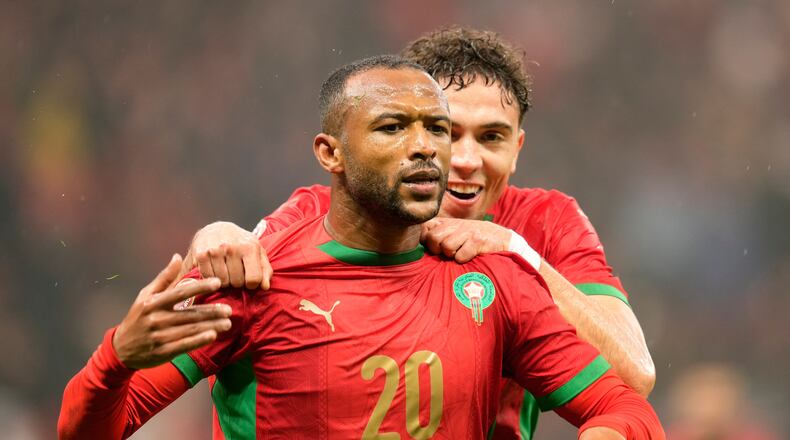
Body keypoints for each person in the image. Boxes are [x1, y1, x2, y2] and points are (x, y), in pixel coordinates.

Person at [59, 56, 663, 439]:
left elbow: (627, 404)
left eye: (434, 128)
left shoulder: (493, 277)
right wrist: (116, 361)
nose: (432, 148)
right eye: (394, 127)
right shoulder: (260, 276)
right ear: (331, 154)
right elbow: (86, 432)